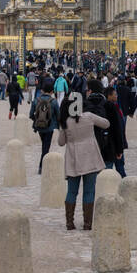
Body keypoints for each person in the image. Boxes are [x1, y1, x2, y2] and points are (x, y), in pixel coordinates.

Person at [56, 91, 111, 231]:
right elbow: (106, 124)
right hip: (90, 157)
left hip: (73, 158)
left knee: (72, 191)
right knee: (89, 191)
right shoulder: (88, 117)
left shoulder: (66, 122)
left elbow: (61, 142)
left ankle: (69, 222)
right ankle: (87, 223)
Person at [31, 90, 59, 173]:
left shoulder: (36, 100)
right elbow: (58, 115)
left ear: (42, 90)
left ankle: (43, 165)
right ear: (52, 91)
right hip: (49, 127)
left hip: (39, 127)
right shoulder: (54, 101)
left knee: (44, 145)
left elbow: (31, 114)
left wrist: (38, 121)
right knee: (46, 147)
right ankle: (41, 166)